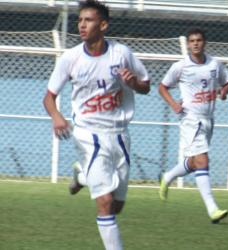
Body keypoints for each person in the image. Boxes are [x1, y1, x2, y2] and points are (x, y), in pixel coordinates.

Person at [43, 1, 150, 249]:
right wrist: (57, 116)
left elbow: (146, 85)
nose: (81, 25)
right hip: (88, 134)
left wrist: (134, 83)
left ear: (103, 25)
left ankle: (82, 175)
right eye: (80, 20)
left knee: (117, 206)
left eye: (88, 20)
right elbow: (48, 97)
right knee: (104, 202)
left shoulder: (121, 54)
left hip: (120, 135)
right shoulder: (70, 57)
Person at [158, 27, 228, 224]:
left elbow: (227, 82)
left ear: (204, 42)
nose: (195, 43)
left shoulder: (215, 64)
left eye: (199, 40)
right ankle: (212, 209)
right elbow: (162, 87)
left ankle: (168, 176)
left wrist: (224, 92)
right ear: (188, 44)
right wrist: (173, 103)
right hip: (191, 119)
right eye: (192, 41)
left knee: (194, 162)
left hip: (209, 119)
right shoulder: (180, 67)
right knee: (203, 160)